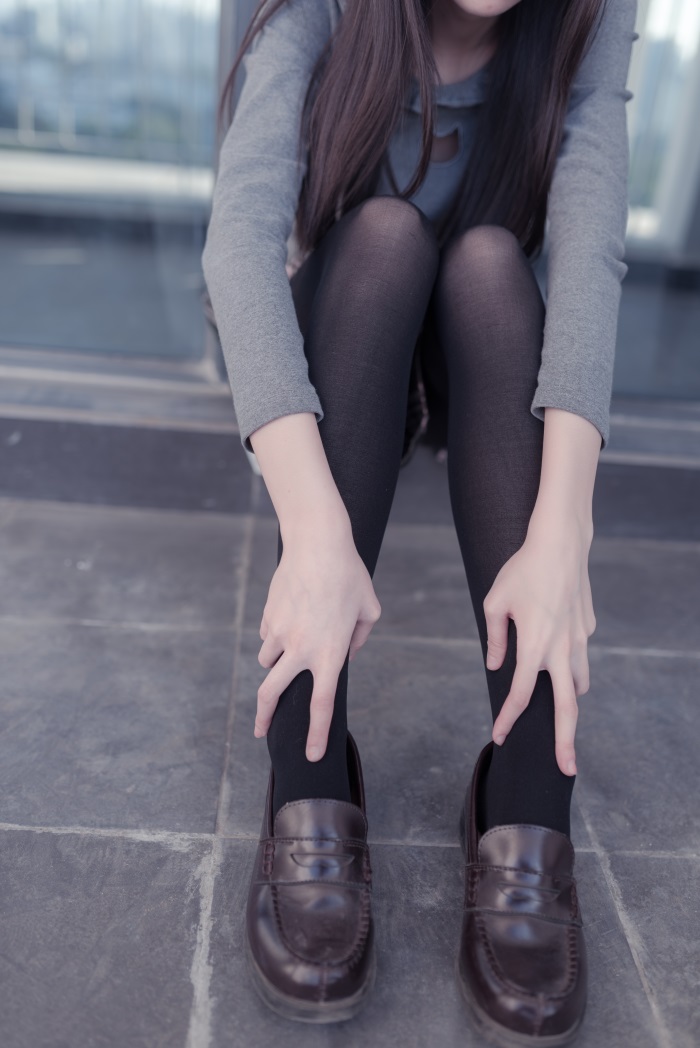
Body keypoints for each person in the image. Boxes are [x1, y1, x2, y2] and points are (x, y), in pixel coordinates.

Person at [201, 0, 638, 1040]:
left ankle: (525, 803)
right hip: (332, 335)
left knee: (488, 263)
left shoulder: (591, 15)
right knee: (387, 236)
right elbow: (239, 243)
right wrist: (316, 536)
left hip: (475, 342)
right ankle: (308, 777)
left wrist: (563, 535)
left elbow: (590, 249)